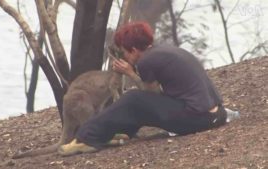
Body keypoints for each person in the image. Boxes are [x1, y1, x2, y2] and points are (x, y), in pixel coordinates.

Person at [58, 21, 227, 156]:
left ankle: (86, 137)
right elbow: (156, 100)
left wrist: (130, 73)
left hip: (198, 119)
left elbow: (150, 94)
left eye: (124, 52)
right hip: (217, 115)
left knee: (133, 99)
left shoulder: (147, 60)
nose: (124, 56)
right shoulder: (164, 50)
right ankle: (115, 134)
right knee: (137, 102)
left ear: (133, 50)